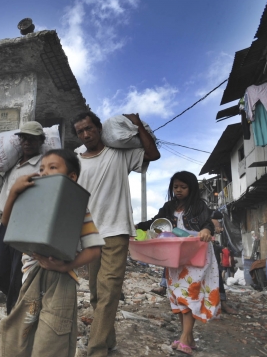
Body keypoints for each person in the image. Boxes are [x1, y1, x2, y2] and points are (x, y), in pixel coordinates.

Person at [0, 149, 104, 357]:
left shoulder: (77, 208)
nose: (44, 172)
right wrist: (13, 193)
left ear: (71, 177)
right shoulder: (32, 202)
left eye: (53, 168)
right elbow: (7, 224)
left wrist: (65, 266)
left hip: (61, 280)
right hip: (30, 277)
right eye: (41, 169)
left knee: (53, 337)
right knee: (22, 333)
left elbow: (94, 250)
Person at [71, 111, 160, 356]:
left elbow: (153, 154)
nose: (86, 134)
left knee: (109, 291)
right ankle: (108, 342)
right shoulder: (76, 158)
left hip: (116, 231)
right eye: (80, 131)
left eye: (89, 128)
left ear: (99, 128)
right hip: (89, 233)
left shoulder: (119, 152)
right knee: (96, 294)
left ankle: (96, 350)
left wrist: (138, 124)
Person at [137, 171, 219, 355]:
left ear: (191, 188)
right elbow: (154, 223)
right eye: (176, 187)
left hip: (195, 254)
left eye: (183, 187)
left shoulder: (199, 205)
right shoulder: (169, 206)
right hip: (175, 258)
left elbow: (209, 223)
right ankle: (187, 338)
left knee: (189, 293)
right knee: (177, 295)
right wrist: (136, 226)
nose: (179, 190)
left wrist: (206, 229)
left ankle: (185, 338)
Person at [0, 121, 46, 314]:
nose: (27, 142)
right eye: (24, 138)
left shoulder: (43, 165)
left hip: (24, 226)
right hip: (5, 223)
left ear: (41, 141)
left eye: (32, 139)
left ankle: (14, 313)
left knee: (16, 273)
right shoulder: (13, 165)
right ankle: (20, 302)